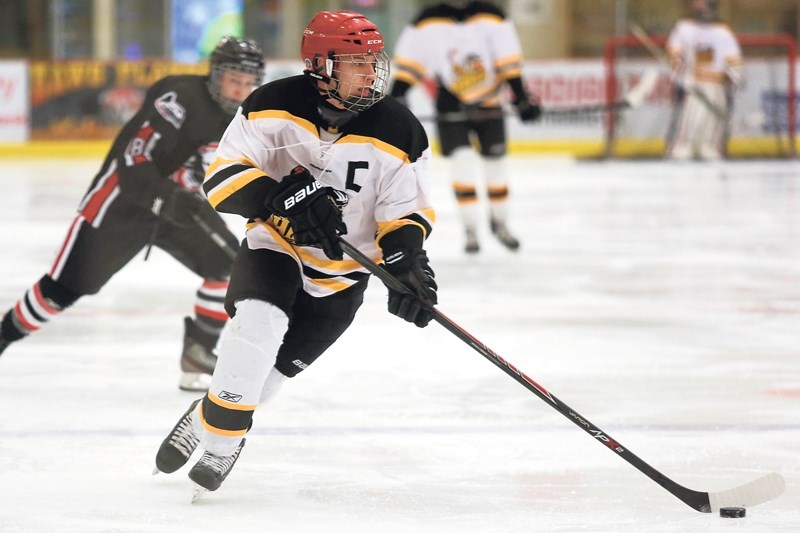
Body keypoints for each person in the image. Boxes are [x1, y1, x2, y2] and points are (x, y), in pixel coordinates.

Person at [153, 10, 437, 500]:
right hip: (275, 243)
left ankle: (209, 415)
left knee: (270, 374)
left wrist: (407, 263)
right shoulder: (271, 104)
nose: (371, 73)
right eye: (356, 63)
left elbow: (405, 214)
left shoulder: (401, 129)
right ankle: (225, 439)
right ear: (322, 65)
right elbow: (221, 180)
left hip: (343, 277)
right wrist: (281, 197)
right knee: (255, 325)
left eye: (373, 62)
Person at [0, 36, 264, 392]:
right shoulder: (179, 97)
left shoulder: (243, 117)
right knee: (62, 290)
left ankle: (198, 354)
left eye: (248, 82)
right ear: (215, 73)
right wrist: (168, 197)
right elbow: (132, 161)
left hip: (178, 206)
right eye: (234, 79)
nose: (239, 89)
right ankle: (2, 337)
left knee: (229, 265)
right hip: (121, 202)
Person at [389, 0, 540, 253]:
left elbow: (508, 57)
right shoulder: (427, 19)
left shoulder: (492, 15)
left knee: (496, 165)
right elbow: (411, 59)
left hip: (490, 102)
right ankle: (470, 229)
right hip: (450, 101)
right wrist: (398, 94)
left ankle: (500, 222)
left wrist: (520, 96)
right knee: (463, 163)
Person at [665, 0, 742, 160]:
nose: (700, 5)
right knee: (683, 146)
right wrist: (681, 69)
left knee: (710, 148)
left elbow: (735, 65)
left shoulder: (723, 32)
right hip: (693, 91)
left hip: (716, 91)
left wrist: (729, 80)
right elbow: (675, 54)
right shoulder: (683, 28)